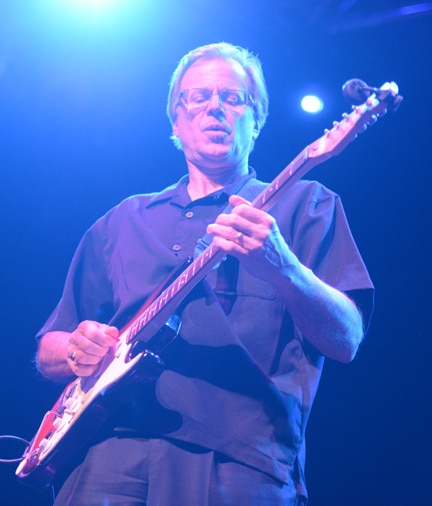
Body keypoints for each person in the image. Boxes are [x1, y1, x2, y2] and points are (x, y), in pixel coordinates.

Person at [35, 42, 374, 505]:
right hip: (102, 455)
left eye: (233, 98)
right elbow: (52, 342)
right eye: (199, 97)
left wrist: (284, 269)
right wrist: (77, 350)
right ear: (176, 121)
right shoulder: (121, 220)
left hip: (238, 460)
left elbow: (347, 339)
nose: (216, 106)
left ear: (257, 120)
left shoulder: (307, 203)